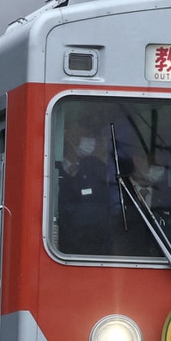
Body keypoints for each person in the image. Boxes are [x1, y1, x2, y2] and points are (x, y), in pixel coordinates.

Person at [55, 106, 114, 255]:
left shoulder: (97, 168)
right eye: (82, 135)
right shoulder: (51, 169)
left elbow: (104, 209)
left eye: (90, 135)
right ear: (67, 137)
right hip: (59, 248)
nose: (90, 140)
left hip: (94, 249)